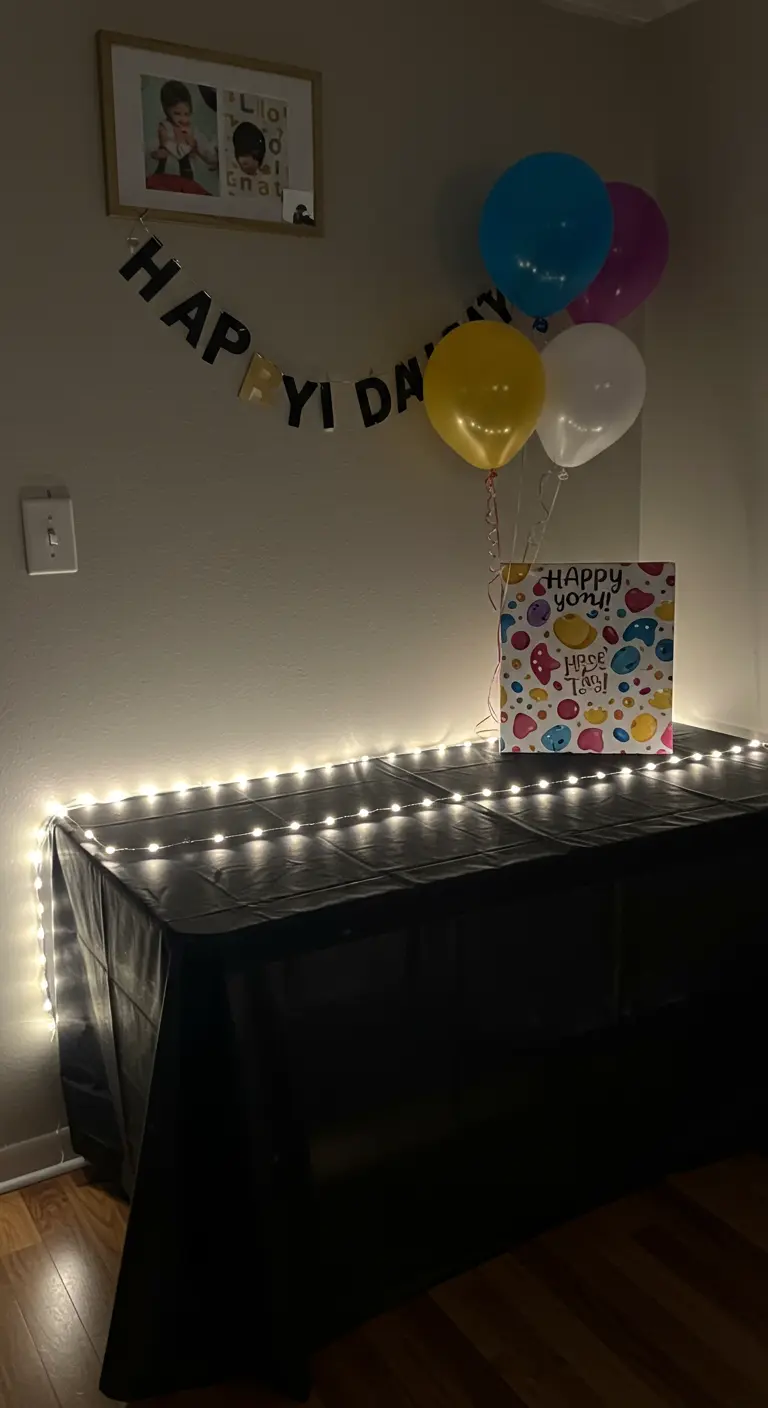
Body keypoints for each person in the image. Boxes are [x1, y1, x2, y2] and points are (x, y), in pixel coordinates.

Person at [151, 80, 217, 182]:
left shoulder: (193, 131)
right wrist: (156, 154)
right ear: (166, 110)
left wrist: (197, 147)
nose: (183, 119)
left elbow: (207, 153)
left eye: (186, 114)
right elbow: (155, 150)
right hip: (167, 178)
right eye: (177, 113)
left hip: (188, 179)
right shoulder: (164, 128)